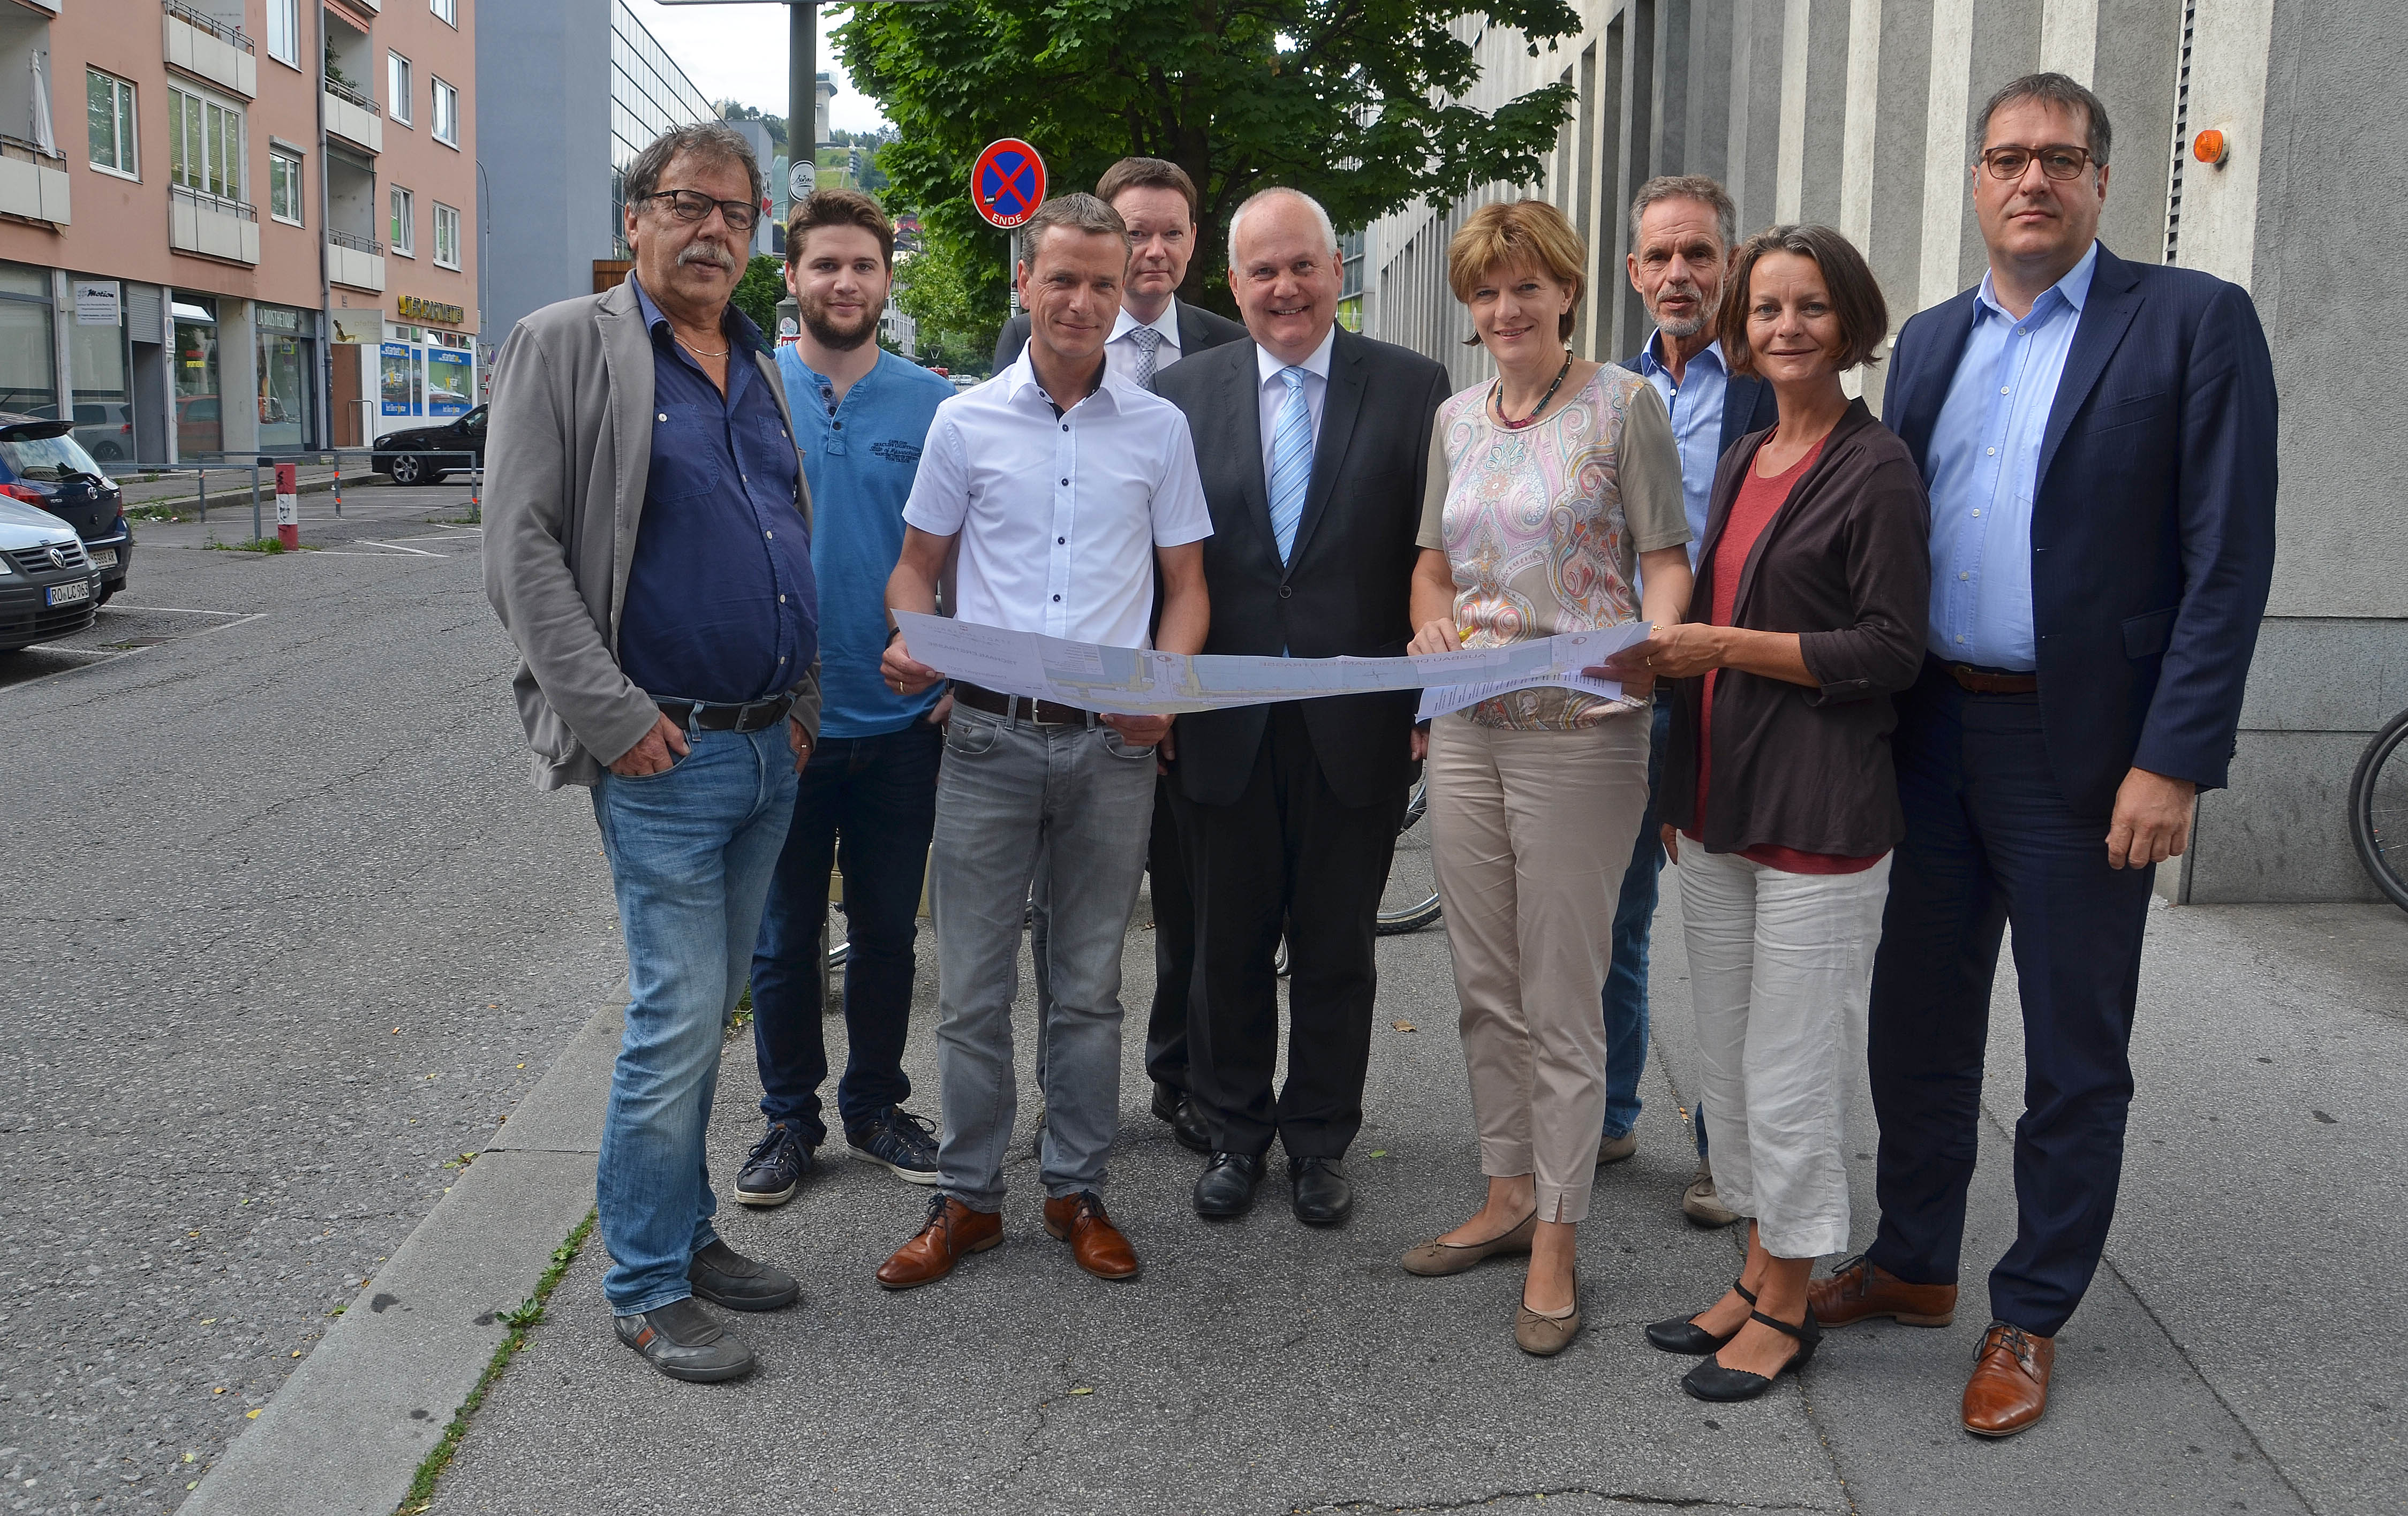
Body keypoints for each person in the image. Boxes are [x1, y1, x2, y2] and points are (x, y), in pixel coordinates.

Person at [1811, 73, 2276, 1438]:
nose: (2031, 180)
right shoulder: (1934, 341)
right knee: (1917, 1020)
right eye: (2007, 159)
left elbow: (2225, 560)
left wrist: (2172, 757)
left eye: (2059, 160)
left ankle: (2032, 1307)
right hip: (1932, 732)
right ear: (1973, 181)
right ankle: (1911, 1261)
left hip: (2087, 751)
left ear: (2099, 183)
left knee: (2074, 1046)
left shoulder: (2191, 322)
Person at [483, 123, 820, 1383]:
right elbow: (518, 550)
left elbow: (784, 526)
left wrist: (808, 697)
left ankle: (684, 1233)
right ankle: (639, 1283)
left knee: (711, 1012)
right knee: (677, 1020)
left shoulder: (752, 361)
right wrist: (616, 719)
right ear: (635, 218)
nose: (715, 231)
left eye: (737, 215)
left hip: (765, 746)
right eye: (688, 205)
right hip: (664, 758)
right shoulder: (567, 344)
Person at [1602, 224, 1929, 1403]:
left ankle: (1788, 1301)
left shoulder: (1874, 465)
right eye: (1766, 311)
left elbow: (1891, 651)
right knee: (1733, 1064)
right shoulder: (1745, 455)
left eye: (1809, 308)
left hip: (1819, 814)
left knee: (1790, 1069)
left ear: (1849, 321)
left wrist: (1723, 645)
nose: (1784, 328)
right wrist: (1681, 793)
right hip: (1720, 803)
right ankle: (1751, 1270)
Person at [873, 193, 1212, 1291]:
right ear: (1023, 283)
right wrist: (911, 635)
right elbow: (917, 567)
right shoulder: (964, 421)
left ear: (1125, 298)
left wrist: (1166, 681)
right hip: (984, 742)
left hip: (1111, 751)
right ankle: (968, 1200)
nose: (1079, 302)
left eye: (1101, 285)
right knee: (972, 991)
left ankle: (1074, 1189)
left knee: (1086, 989)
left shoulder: (1159, 429)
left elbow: (1186, 588)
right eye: (1060, 280)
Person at [1395, 200, 1692, 1358]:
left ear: (1567, 291)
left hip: (1583, 730)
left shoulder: (1626, 406)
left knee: (1560, 994)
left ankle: (1560, 1234)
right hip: (1468, 725)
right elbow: (1431, 571)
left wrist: (1648, 649)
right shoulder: (1454, 419)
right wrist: (1426, 634)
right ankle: (1505, 1189)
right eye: (1486, 292)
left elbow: (1664, 565)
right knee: (1483, 985)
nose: (1506, 308)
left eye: (1527, 287)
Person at [1153, 188, 1449, 1227]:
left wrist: (1426, 700)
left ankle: (1320, 1140)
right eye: (1262, 271)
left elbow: (1432, 561)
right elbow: (1165, 566)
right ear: (1230, 285)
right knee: (1223, 947)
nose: (1284, 287)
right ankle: (1234, 1132)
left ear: (1338, 272)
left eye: (1303, 266)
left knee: (1335, 949)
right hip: (1220, 722)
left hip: (1354, 724)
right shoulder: (1181, 397)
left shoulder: (1415, 392)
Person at [995, 157, 1248, 1157]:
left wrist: (1178, 684)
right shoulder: (1030, 339)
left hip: (1180, 671)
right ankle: (1058, 1095)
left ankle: (1176, 1076)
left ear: (1194, 244)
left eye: (1171, 233)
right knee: (1064, 913)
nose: (1151, 252)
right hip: (1062, 683)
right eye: (1133, 232)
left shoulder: (1229, 349)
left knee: (1185, 896)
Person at [733, 189, 958, 1207]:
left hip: (904, 720)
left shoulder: (932, 405)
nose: (844, 282)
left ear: (885, 278)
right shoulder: (748, 387)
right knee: (781, 941)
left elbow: (968, 551)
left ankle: (874, 1106)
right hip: (786, 721)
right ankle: (790, 1121)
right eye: (825, 265)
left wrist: (960, 667)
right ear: (791, 277)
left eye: (862, 266)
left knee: (888, 934)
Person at [1611, 175, 1780, 1228]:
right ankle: (1607, 1116)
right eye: (1659, 257)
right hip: (1620, 693)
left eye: (1698, 256)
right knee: (1608, 919)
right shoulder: (1600, 389)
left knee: (1735, 936)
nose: (1679, 274)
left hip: (1736, 693)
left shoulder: (1774, 384)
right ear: (1632, 274)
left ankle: (1734, 1156)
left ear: (1729, 267)